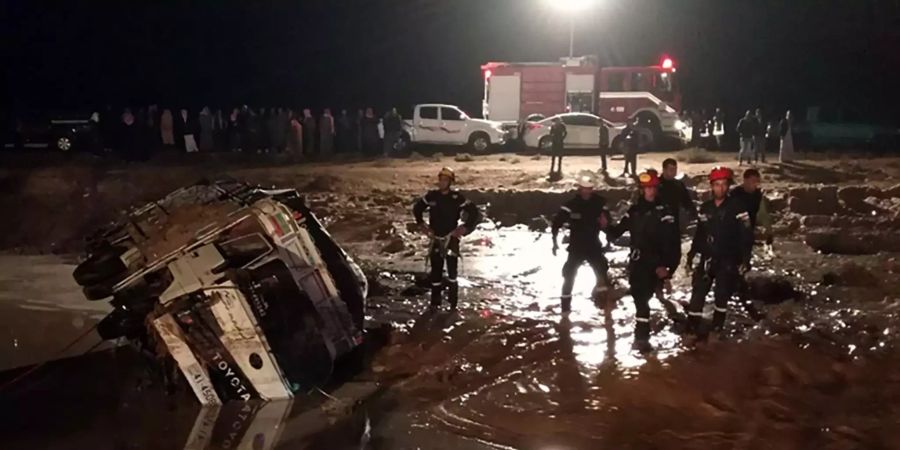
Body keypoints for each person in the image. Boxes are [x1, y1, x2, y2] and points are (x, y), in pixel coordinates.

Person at [606, 171, 680, 351]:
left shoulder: (665, 212)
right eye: (647, 188)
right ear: (641, 189)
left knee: (645, 298)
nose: (650, 191)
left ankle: (643, 335)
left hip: (656, 263)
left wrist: (669, 268)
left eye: (653, 187)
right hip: (637, 263)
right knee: (640, 300)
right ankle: (641, 338)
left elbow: (672, 241)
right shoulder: (634, 211)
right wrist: (604, 225)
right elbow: (616, 233)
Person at [685, 166, 754, 339]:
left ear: (728, 186)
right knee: (698, 293)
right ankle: (693, 329)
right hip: (707, 258)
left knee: (721, 295)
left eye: (724, 184)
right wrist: (692, 254)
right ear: (711, 186)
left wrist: (745, 260)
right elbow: (700, 234)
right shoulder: (705, 208)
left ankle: (717, 329)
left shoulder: (738, 207)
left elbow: (746, 236)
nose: (720, 188)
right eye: (717, 184)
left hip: (728, 259)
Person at [412, 167, 482, 310]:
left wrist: (465, 228)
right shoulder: (432, 196)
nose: (442, 183)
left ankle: (453, 303)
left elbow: (474, 212)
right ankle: (435, 303)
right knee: (436, 272)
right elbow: (417, 208)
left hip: (451, 239)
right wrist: (422, 225)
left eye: (445, 180)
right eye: (440, 180)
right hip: (436, 239)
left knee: (452, 272)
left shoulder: (456, 198)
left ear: (450, 182)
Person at [551, 177, 613, 313]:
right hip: (576, 247)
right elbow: (556, 223)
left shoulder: (600, 203)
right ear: (580, 188)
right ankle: (565, 311)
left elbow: (609, 224)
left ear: (592, 189)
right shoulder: (571, 205)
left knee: (602, 272)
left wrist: (609, 239)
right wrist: (554, 243)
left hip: (593, 246)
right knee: (569, 276)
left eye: (589, 189)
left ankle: (606, 310)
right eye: (584, 188)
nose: (587, 191)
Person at [729, 168, 772, 321]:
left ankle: (740, 288)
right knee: (732, 260)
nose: (755, 184)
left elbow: (763, 213)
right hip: (732, 234)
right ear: (745, 180)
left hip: (747, 233)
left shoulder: (757, 195)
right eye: (753, 181)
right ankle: (735, 288)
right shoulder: (734, 194)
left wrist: (769, 231)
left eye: (757, 181)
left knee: (745, 261)